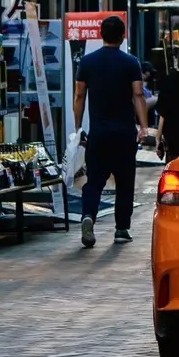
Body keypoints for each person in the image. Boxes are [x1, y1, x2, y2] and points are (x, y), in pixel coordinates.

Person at [70, 14, 150, 248]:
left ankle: (88, 216)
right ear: (122, 36)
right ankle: (121, 229)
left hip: (98, 134)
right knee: (125, 181)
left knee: (94, 180)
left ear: (101, 35)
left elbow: (79, 95)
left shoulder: (87, 62)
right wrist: (143, 126)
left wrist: (77, 127)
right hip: (124, 133)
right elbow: (137, 94)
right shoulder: (130, 62)